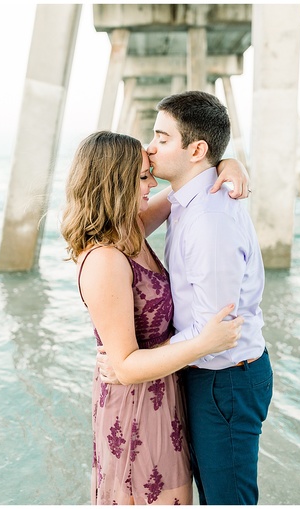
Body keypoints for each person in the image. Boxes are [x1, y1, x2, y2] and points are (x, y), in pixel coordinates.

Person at [60, 130, 248, 505]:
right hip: (136, 408)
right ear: (115, 181)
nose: (153, 183)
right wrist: (202, 344)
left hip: (163, 393)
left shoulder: (130, 230)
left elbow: (186, 188)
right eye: (143, 176)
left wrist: (227, 164)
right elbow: (125, 366)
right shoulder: (105, 260)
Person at [143, 91, 273, 505]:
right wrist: (225, 161)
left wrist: (142, 362)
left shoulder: (208, 219)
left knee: (227, 500)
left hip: (225, 378)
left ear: (196, 149)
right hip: (210, 373)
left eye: (162, 138)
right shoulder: (187, 199)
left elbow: (216, 330)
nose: (150, 147)